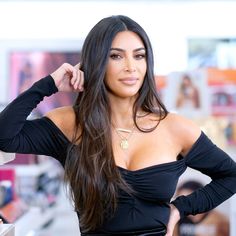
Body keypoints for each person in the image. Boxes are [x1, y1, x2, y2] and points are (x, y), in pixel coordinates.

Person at [0, 15, 236, 236]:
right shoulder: (69, 123)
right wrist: (48, 84)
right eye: (116, 56)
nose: (131, 67)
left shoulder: (175, 128)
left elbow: (231, 175)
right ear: (96, 62)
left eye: (139, 55)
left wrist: (180, 208)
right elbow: (4, 136)